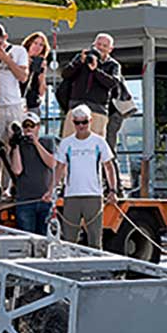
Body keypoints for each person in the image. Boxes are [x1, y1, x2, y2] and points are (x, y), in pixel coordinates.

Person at [54, 105, 117, 248]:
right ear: (73, 122)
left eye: (84, 122)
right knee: (69, 239)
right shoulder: (66, 143)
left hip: (93, 195)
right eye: (77, 122)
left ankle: (97, 268)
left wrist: (113, 190)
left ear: (90, 121)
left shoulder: (99, 142)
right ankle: (69, 268)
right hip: (71, 196)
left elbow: (109, 166)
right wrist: (52, 189)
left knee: (95, 239)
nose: (81, 126)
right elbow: (60, 167)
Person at [0, 23, 29, 201]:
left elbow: (23, 76)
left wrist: (5, 58)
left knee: (15, 144)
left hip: (13, 104)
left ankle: (14, 185)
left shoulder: (18, 51)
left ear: (5, 38)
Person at [60, 34, 121, 138]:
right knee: (69, 141)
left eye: (105, 46)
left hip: (97, 110)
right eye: (99, 44)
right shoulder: (82, 57)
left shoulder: (113, 65)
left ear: (110, 49)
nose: (101, 48)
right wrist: (79, 62)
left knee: (95, 144)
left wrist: (96, 70)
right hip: (76, 107)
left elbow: (112, 83)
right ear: (93, 44)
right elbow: (65, 74)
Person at [11, 112, 57, 235]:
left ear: (38, 127)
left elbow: (52, 163)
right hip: (25, 201)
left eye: (32, 126)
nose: (29, 129)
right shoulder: (20, 145)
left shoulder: (47, 142)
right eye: (26, 126)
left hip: (44, 199)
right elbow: (17, 170)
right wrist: (15, 146)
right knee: (27, 237)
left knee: (44, 238)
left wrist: (36, 143)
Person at [20, 31, 50, 116]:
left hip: (32, 104)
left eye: (41, 45)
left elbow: (41, 92)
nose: (37, 47)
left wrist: (42, 75)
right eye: (35, 43)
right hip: (17, 101)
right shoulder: (19, 58)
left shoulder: (40, 63)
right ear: (29, 43)